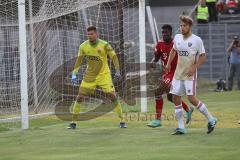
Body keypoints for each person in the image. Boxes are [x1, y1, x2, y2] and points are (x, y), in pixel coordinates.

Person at [166, 15, 217, 135]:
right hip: (178, 74)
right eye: (181, 25)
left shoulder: (197, 40)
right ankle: (181, 127)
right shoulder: (177, 37)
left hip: (189, 75)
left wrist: (194, 68)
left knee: (191, 99)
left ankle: (211, 119)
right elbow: (173, 50)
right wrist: (168, 64)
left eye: (184, 26)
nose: (182, 28)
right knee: (175, 98)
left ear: (189, 26)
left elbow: (203, 56)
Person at [68, 26, 126, 129]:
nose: (90, 36)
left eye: (92, 34)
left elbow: (114, 57)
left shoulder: (105, 45)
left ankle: (122, 120)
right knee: (80, 97)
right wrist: (74, 74)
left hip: (104, 75)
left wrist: (117, 71)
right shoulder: (83, 46)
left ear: (96, 34)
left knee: (112, 96)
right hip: (90, 76)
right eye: (88, 34)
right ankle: (73, 122)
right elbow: (79, 61)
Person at [147, 24, 194, 128]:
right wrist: (153, 62)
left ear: (170, 33)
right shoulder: (159, 44)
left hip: (176, 72)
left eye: (166, 33)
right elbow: (156, 57)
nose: (164, 35)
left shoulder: (176, 43)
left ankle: (157, 120)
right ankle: (188, 110)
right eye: (163, 32)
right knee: (171, 97)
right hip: (167, 72)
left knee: (158, 91)